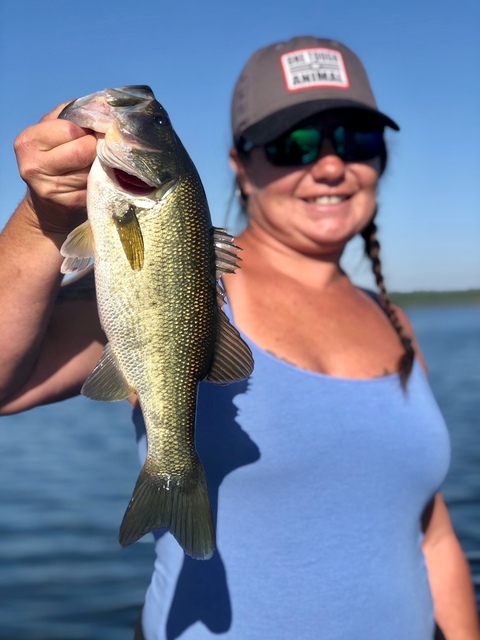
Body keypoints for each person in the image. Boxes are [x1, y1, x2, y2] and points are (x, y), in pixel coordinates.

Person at [0, 35, 478, 640]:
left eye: (358, 140)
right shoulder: (193, 283)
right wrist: (41, 220)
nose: (331, 165)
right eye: (295, 143)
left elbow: (430, 533)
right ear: (241, 163)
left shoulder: (394, 322)